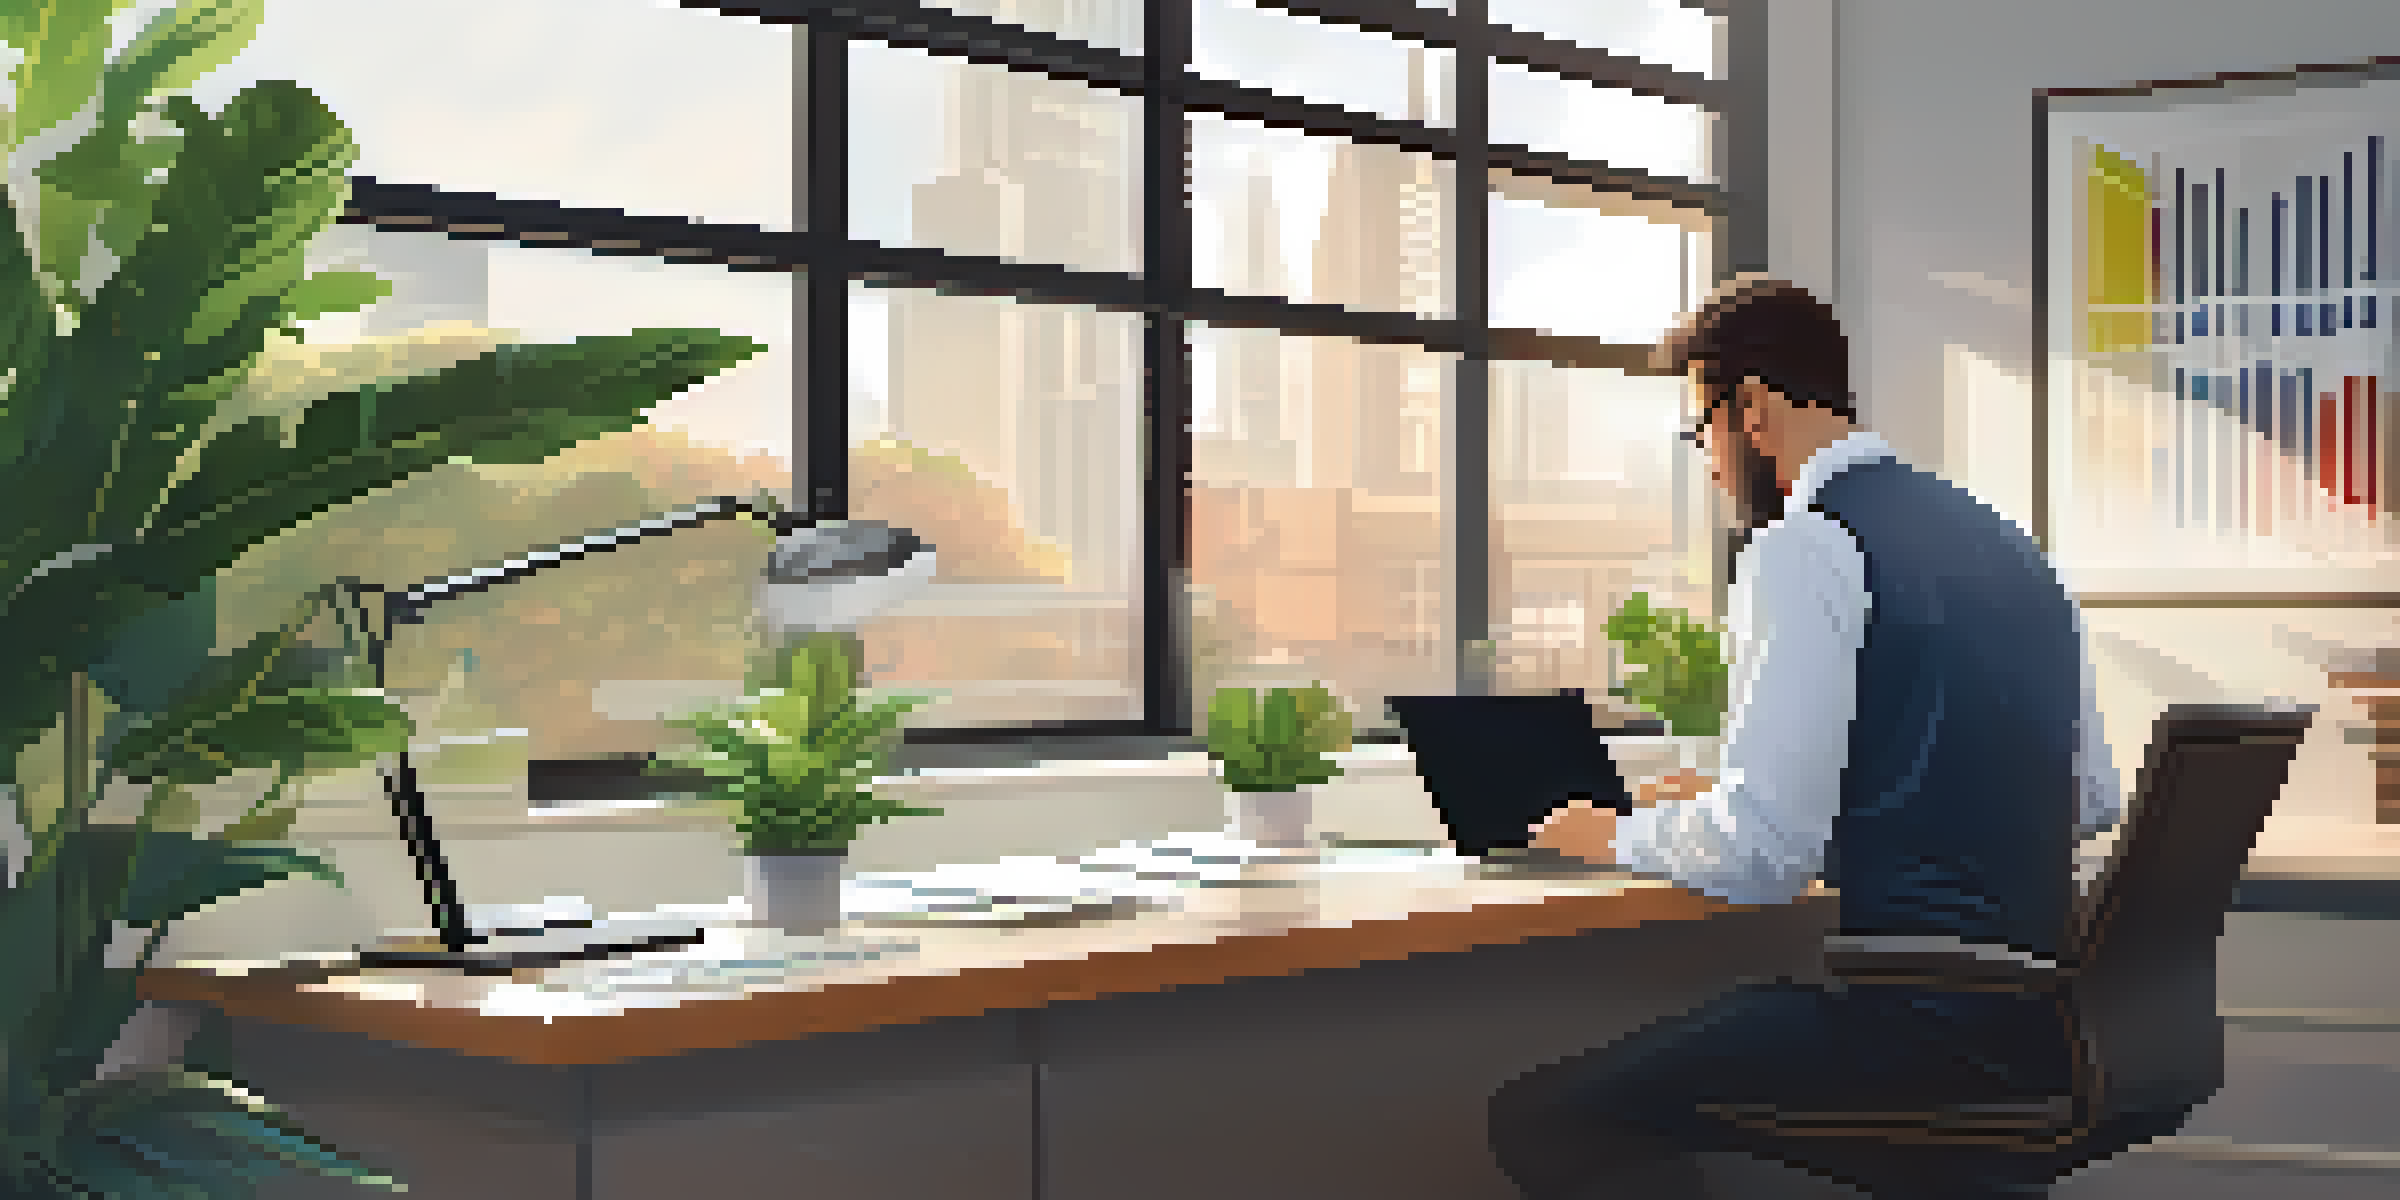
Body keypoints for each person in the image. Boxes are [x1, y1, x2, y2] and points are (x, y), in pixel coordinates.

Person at [1484, 276, 2123, 1200]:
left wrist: (1611, 835)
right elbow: (2090, 797)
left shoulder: (1808, 545)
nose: (1704, 463)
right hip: (2045, 1028)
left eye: (1698, 429)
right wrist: (1855, 814)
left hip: (1922, 1033)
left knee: (1545, 1117)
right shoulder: (2012, 544)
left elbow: (1761, 859)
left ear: (1750, 407)